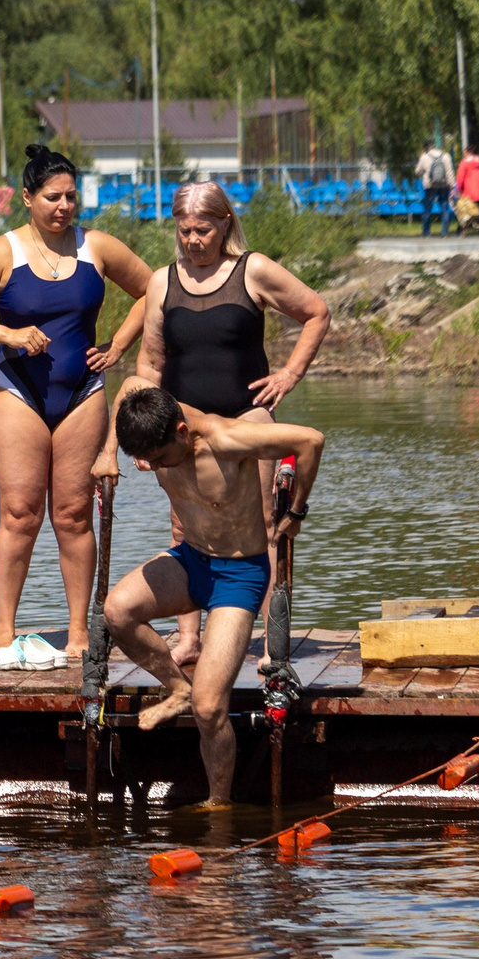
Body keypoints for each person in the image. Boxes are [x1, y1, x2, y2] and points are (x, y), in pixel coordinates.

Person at [0, 144, 153, 670]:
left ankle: (79, 631)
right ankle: (5, 629)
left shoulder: (95, 247)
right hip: (18, 393)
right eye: (52, 197)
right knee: (19, 514)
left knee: (74, 515)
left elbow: (155, 290)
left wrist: (120, 346)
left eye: (71, 197)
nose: (64, 206)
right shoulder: (2, 252)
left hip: (82, 393)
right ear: (28, 199)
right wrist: (7, 333)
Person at [101, 179, 328, 668]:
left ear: (225, 223)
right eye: (184, 231)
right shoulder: (163, 281)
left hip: (247, 417)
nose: (193, 240)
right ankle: (190, 639)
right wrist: (145, 433)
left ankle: (272, 640)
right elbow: (150, 366)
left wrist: (288, 374)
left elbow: (316, 312)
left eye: (203, 230)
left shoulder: (254, 270)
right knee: (184, 526)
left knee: (266, 523)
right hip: (182, 424)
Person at [103, 383, 321, 808]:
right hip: (191, 562)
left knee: (208, 708)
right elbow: (129, 385)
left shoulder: (226, 439)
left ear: (183, 431)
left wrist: (296, 511)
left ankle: (217, 803)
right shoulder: (158, 420)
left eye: (161, 457)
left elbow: (311, 440)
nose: (157, 466)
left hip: (239, 575)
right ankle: (175, 688)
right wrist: (107, 453)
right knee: (118, 611)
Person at [416, 143, 455, 236]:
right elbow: (449, 171)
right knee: (444, 207)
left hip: (430, 186)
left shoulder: (424, 157)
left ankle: (426, 232)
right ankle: (444, 232)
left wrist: (422, 160)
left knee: (427, 208)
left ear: (426, 148)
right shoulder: (446, 156)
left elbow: (417, 171)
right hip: (444, 185)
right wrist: (452, 186)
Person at [456, 147, 479, 235]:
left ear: (468, 152)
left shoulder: (464, 163)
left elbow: (460, 178)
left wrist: (459, 189)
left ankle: (462, 229)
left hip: (469, 192)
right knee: (478, 211)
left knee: (465, 211)